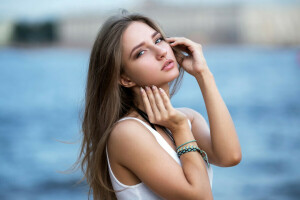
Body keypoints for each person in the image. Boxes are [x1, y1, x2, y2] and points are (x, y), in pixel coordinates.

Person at [77, 10, 242, 200]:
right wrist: (180, 130)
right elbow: (202, 197)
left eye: (157, 40)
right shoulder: (127, 133)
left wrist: (203, 74)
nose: (161, 52)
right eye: (140, 52)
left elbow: (230, 157)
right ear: (125, 78)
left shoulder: (186, 118)